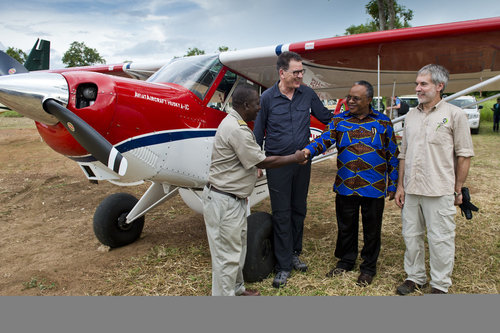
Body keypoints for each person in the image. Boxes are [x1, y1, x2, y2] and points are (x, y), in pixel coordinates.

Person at [202, 84, 307, 296]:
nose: (260, 108)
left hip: (234, 199)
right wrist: (294, 158)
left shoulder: (235, 122)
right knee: (226, 257)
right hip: (225, 201)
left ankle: (238, 290)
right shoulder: (236, 129)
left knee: (236, 251)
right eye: (257, 104)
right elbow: (262, 161)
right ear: (246, 105)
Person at [302, 80, 399, 286]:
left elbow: (393, 155)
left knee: (372, 229)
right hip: (346, 184)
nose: (350, 101)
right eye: (349, 97)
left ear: (369, 100)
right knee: (346, 226)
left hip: (374, 187)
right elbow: (324, 140)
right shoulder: (339, 121)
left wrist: (393, 184)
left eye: (356, 98)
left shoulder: (383, 122)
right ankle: (346, 261)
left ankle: (368, 268)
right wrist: (308, 151)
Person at [253, 51, 332, 288]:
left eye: (301, 71)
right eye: (296, 72)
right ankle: (283, 265)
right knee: (281, 212)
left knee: (299, 209)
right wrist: (258, 159)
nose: (300, 76)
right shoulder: (267, 97)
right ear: (282, 73)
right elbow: (259, 129)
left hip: (302, 162)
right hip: (277, 164)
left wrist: (353, 118)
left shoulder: (307, 93)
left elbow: (328, 118)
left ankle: (294, 253)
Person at [395, 64, 474, 295]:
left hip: (439, 189)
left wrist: (458, 189)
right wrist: (401, 186)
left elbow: (464, 155)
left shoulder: (454, 115)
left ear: (440, 86)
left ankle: (440, 284)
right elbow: (403, 154)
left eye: (423, 84)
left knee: (441, 239)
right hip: (411, 188)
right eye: (417, 83)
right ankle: (415, 277)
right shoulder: (410, 116)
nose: (417, 88)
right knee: (411, 236)